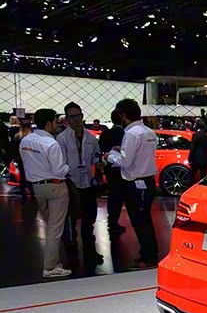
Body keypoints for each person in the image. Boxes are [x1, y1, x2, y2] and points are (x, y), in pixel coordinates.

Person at [105, 99, 159, 269]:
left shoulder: (131, 134)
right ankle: (149, 255)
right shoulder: (149, 132)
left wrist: (109, 157)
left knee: (140, 221)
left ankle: (148, 258)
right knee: (145, 220)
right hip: (148, 182)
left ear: (123, 115)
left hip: (135, 184)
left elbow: (125, 162)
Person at [19, 109, 71, 279]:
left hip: (37, 188)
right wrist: (68, 167)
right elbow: (59, 170)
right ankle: (50, 267)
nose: (57, 125)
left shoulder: (25, 141)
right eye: (55, 122)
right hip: (56, 187)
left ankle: (53, 262)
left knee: (51, 227)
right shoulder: (51, 143)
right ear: (48, 123)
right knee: (55, 229)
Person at [57, 102, 103, 266]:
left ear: (82, 116)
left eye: (78, 115)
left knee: (89, 220)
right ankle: (71, 252)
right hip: (70, 184)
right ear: (66, 119)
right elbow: (61, 163)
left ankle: (90, 251)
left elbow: (96, 157)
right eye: (72, 116)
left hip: (88, 183)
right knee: (70, 221)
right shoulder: (62, 139)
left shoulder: (91, 137)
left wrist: (99, 164)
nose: (76, 119)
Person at [98, 110, 126, 233]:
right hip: (122, 168)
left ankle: (112, 221)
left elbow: (100, 150)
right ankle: (114, 222)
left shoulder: (105, 134)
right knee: (120, 196)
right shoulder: (125, 134)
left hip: (109, 168)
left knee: (113, 194)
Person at [11, 120, 35, 202]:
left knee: (22, 177)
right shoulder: (32, 137)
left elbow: (14, 149)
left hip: (21, 158)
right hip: (31, 158)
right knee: (32, 176)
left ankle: (23, 196)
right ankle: (33, 195)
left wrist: (16, 158)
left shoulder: (17, 136)